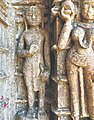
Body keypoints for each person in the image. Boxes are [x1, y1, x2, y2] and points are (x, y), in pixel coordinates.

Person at [17, 5, 50, 119]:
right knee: (29, 87)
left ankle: (41, 108)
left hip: (40, 64)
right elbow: (19, 52)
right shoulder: (25, 34)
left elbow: (46, 54)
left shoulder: (43, 33)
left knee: (41, 87)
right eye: (30, 15)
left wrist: (48, 70)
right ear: (25, 18)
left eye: (36, 15)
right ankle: (30, 108)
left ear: (41, 17)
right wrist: (28, 52)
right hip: (28, 65)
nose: (34, 17)